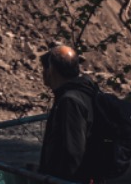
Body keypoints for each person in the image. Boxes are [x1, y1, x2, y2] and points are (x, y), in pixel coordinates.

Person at [37, 44, 98, 180]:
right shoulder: (85, 92)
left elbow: (73, 153)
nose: (42, 73)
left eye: (44, 68)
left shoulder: (69, 101)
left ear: (51, 70)